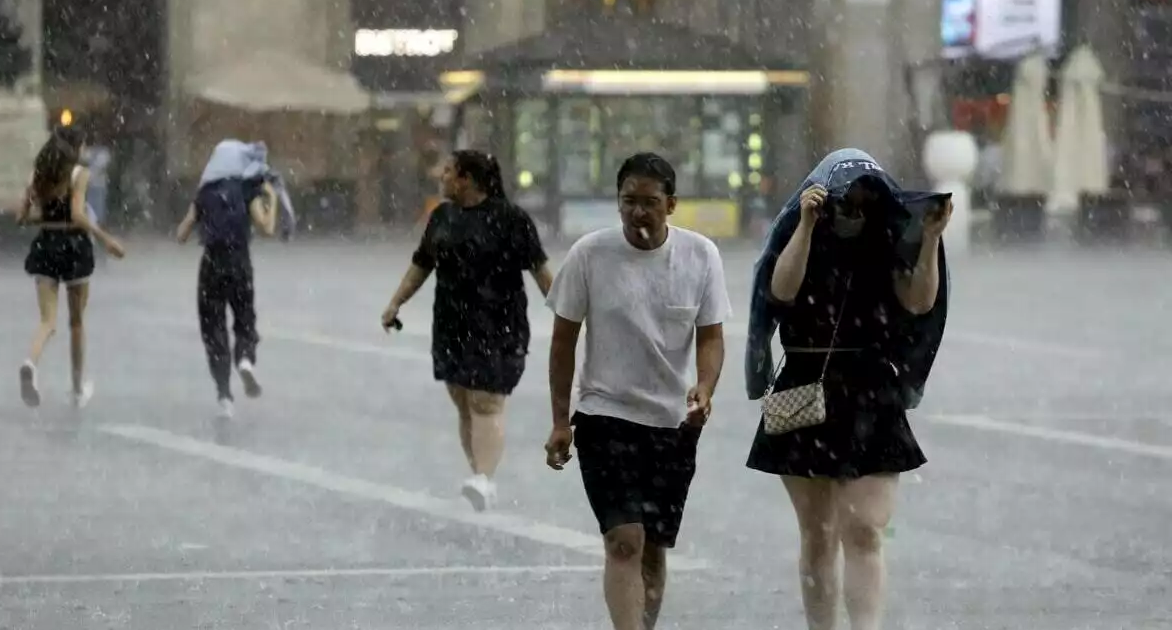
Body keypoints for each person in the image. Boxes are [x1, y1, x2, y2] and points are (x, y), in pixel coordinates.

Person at [745, 148, 952, 630]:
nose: (854, 208)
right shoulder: (802, 232)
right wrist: (805, 224)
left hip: (873, 391)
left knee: (865, 529)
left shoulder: (888, 235)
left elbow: (920, 302)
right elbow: (782, 290)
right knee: (817, 535)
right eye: (846, 197)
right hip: (807, 384)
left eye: (865, 197)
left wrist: (930, 239)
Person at [544, 152, 731, 630]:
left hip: (673, 425)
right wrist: (560, 421)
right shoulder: (589, 254)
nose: (637, 212)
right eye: (628, 201)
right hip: (604, 417)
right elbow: (563, 340)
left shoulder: (700, 255)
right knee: (623, 539)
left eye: (649, 202)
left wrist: (705, 387)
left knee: (652, 548)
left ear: (671, 204)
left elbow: (711, 336)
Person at [381, 150, 553, 512]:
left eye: (447, 171)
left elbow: (541, 271)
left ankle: (484, 479)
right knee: (463, 402)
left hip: (500, 325)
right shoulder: (442, 217)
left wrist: (569, 315)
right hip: (451, 323)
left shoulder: (511, 219)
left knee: (485, 401)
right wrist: (395, 303)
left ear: (467, 179)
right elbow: (421, 265)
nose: (440, 176)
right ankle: (481, 476)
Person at [16, 125, 126, 409]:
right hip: (74, 248)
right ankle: (77, 389)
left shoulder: (37, 176)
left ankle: (30, 363)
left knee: (47, 321)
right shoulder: (79, 175)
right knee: (76, 322)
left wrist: (44, 219)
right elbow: (77, 215)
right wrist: (106, 239)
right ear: (76, 148)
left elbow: (21, 217)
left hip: (45, 246)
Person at [176, 161, 279, 419]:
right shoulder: (245, 190)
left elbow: (182, 234)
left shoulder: (205, 193)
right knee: (245, 319)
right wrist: (273, 198)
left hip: (211, 264)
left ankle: (224, 394)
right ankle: (245, 359)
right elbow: (267, 227)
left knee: (213, 329)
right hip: (239, 262)